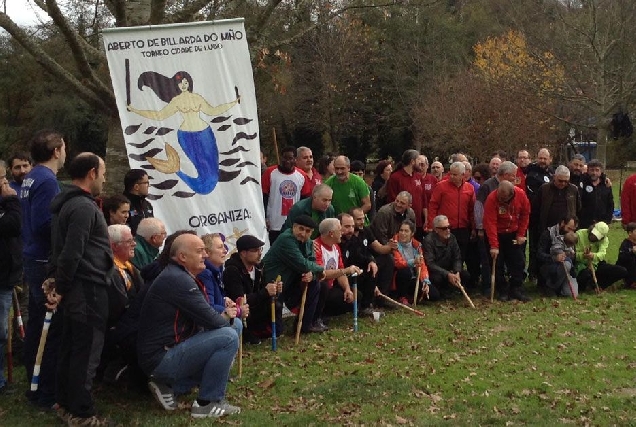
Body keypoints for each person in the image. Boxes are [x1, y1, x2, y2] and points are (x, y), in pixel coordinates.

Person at [137, 233, 241, 418]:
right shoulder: (178, 279)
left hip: (164, 352)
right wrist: (226, 314)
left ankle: (173, 386)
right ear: (183, 257)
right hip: (160, 358)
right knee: (228, 336)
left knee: (233, 327)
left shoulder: (180, 275)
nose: (206, 255)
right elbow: (213, 320)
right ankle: (207, 403)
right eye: (200, 251)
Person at [45, 153, 113, 425]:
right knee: (85, 353)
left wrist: (56, 282)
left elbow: (60, 250)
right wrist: (60, 286)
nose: (105, 178)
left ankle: (65, 404)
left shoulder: (66, 204)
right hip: (87, 288)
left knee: (71, 347)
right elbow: (71, 252)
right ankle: (82, 414)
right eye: (104, 172)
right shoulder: (83, 207)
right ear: (92, 173)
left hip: (76, 287)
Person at [127, 70, 241, 195]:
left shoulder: (197, 97)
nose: (184, 84)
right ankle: (176, 170)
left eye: (186, 82)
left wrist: (233, 103)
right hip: (186, 136)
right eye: (181, 83)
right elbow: (159, 115)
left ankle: (176, 170)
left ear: (189, 82)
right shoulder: (176, 100)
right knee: (201, 170)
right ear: (177, 85)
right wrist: (136, 111)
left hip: (205, 134)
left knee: (212, 172)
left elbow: (212, 111)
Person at [20, 129, 66, 409]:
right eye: (64, 147)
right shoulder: (47, 180)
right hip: (41, 259)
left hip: (31, 256)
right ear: (56, 151)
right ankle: (47, 391)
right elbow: (44, 223)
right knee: (50, 328)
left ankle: (36, 383)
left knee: (38, 325)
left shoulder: (31, 177)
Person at [262, 215, 327, 333]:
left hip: (289, 282)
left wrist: (312, 274)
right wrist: (320, 269)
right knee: (276, 331)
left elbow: (310, 262)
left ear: (311, 233)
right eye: (301, 229)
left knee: (318, 284)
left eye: (307, 231)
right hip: (271, 285)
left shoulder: (308, 243)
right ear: (294, 227)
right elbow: (302, 264)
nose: (303, 233)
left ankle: (306, 325)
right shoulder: (286, 239)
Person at [103, 224, 143, 385]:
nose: (134, 244)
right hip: (119, 328)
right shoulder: (112, 271)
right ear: (114, 246)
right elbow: (119, 306)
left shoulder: (128, 266)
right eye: (129, 241)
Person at [223, 235, 283, 341]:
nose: (259, 253)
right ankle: (247, 334)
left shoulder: (259, 267)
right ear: (243, 253)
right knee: (245, 310)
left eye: (260, 249)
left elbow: (263, 290)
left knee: (275, 302)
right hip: (241, 310)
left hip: (256, 307)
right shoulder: (232, 271)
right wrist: (265, 291)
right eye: (255, 250)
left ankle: (271, 331)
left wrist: (274, 289)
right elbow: (239, 299)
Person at [427, 161, 477, 289]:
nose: (452, 177)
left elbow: (472, 209)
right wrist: (433, 224)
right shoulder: (441, 186)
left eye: (455, 174)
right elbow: (433, 205)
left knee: (460, 256)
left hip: (463, 228)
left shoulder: (469, 188)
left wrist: (473, 226)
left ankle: (457, 280)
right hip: (446, 227)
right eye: (451, 174)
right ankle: (444, 280)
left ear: (463, 175)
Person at [483, 180, 531, 302]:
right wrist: (494, 245)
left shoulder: (521, 195)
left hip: (513, 233)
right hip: (497, 233)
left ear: (511, 194)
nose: (501, 200)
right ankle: (502, 290)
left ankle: (516, 288)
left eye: (504, 198)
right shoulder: (492, 198)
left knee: (518, 262)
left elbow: (525, 214)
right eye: (500, 196)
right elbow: (490, 222)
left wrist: (521, 234)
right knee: (497, 263)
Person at [197, 234, 245, 338]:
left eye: (224, 246)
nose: (225, 250)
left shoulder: (217, 270)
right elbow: (208, 306)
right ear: (207, 253)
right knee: (235, 324)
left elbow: (216, 297)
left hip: (214, 317)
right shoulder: (205, 274)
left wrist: (224, 299)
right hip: (204, 324)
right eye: (220, 247)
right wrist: (237, 310)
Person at [370, 191, 416, 297]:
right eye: (397, 201)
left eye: (402, 203)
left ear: (409, 205)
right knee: (391, 260)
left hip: (402, 245)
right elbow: (381, 237)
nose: (398, 204)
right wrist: (398, 252)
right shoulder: (384, 212)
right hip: (381, 247)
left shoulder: (411, 213)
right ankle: (385, 293)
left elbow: (412, 233)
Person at [262, 146, 311, 243]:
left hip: (293, 224)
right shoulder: (270, 173)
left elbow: (305, 201)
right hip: (274, 223)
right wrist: (264, 217)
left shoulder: (302, 176)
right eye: (285, 158)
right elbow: (264, 197)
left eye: (290, 158)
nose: (287, 161)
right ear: (280, 158)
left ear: (295, 160)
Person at [0, 166, 21, 394]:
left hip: (6, 276)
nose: (6, 183)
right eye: (2, 178)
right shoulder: (8, 201)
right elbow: (13, 226)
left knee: (2, 332)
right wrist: (12, 201)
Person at [339, 211, 379, 314]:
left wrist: (371, 261)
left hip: (348, 276)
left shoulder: (352, 240)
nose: (350, 230)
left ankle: (366, 307)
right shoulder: (335, 243)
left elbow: (361, 256)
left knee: (371, 269)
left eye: (352, 226)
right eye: (347, 226)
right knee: (357, 295)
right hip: (335, 279)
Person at [423, 215, 469, 298]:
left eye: (449, 227)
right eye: (444, 228)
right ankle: (442, 291)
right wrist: (447, 274)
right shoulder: (428, 241)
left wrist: (457, 272)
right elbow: (430, 263)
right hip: (436, 271)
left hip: (450, 269)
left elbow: (457, 257)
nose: (448, 230)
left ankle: (453, 288)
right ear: (436, 229)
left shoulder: (452, 237)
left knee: (465, 275)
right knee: (437, 279)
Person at [391, 219, 437, 304]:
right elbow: (398, 263)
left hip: (414, 278)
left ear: (412, 234)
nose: (403, 233)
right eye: (401, 230)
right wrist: (413, 262)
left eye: (406, 231)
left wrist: (425, 281)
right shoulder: (394, 244)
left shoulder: (417, 246)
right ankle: (402, 296)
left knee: (434, 294)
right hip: (399, 277)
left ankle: (412, 296)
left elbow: (422, 266)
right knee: (405, 271)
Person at [525, 148, 554, 278]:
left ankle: (547, 272)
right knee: (535, 246)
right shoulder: (532, 174)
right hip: (536, 217)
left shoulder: (553, 173)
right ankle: (533, 273)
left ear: (550, 159)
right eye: (540, 158)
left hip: (551, 217)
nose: (542, 161)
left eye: (545, 158)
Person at [574, 222, 627, 291]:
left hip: (596, 264)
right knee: (585, 275)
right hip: (580, 265)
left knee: (622, 271)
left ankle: (599, 285)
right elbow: (573, 254)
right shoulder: (579, 234)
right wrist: (583, 255)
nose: (594, 237)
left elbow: (602, 254)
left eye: (597, 237)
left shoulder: (604, 240)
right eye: (593, 234)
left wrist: (593, 255)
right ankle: (587, 286)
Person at [386, 150, 427, 238]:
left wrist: (426, 218)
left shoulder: (418, 176)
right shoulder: (395, 178)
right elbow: (392, 201)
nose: (420, 163)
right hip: (402, 223)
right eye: (418, 160)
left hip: (418, 222)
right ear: (412, 162)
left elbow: (423, 199)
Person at [536, 215, 579, 295]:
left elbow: (573, 257)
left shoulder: (571, 237)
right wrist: (554, 258)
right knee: (566, 264)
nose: (570, 231)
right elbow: (539, 254)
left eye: (573, 230)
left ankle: (559, 287)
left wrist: (571, 255)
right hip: (549, 267)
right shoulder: (548, 234)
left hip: (567, 270)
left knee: (571, 293)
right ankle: (549, 286)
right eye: (569, 228)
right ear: (562, 223)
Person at [325, 156, 371, 221]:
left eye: (342, 168)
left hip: (357, 223)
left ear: (349, 168)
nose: (339, 172)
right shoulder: (329, 183)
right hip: (338, 224)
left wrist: (353, 218)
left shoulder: (358, 182)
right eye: (337, 168)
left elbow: (367, 204)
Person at [578, 159, 613, 229]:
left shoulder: (606, 185)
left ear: (601, 171)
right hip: (584, 223)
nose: (594, 173)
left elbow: (610, 204)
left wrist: (608, 220)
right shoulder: (582, 183)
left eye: (597, 170)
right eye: (592, 170)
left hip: (602, 223)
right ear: (587, 171)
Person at [122, 169, 154, 236]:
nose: (149, 186)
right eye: (146, 183)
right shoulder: (122, 204)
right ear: (136, 187)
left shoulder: (147, 205)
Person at [617, 223, 636, 288]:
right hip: (627, 267)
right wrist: (632, 252)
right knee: (632, 261)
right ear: (630, 233)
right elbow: (622, 257)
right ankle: (632, 282)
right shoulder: (625, 244)